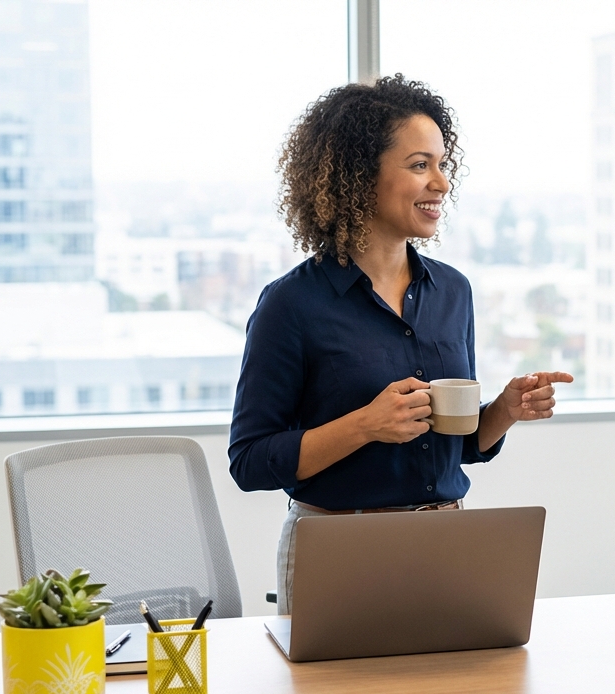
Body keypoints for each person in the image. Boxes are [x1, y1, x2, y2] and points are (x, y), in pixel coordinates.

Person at [228, 75, 572, 615]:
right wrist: (366, 425)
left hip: (445, 541)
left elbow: (454, 445)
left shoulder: (453, 291)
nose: (441, 183)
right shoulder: (290, 305)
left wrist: (502, 412)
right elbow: (249, 462)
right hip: (337, 551)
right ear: (359, 176)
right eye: (419, 165)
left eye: (442, 165)